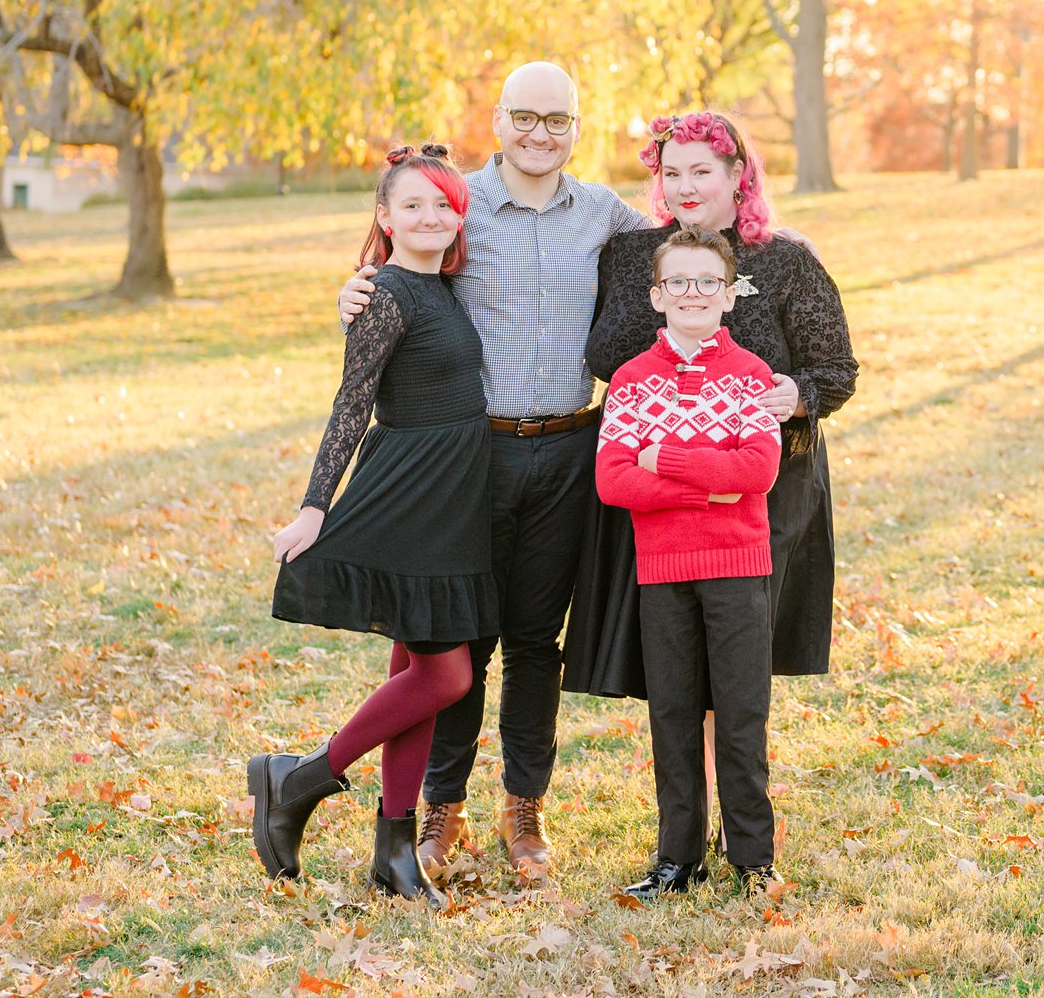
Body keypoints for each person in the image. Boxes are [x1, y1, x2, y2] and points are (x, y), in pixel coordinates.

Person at [333, 63, 651, 886]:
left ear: (577, 126)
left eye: (558, 119)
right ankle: (442, 804)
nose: (540, 133)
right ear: (500, 119)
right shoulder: (459, 203)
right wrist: (354, 288)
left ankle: (525, 808)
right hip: (470, 455)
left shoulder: (604, 213)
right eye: (525, 116)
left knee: (536, 641)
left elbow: (692, 238)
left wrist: (773, 241)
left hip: (568, 451)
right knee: (460, 635)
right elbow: (398, 260)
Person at [567, 114, 857, 863]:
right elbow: (604, 352)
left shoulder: (787, 262)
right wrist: (664, 280)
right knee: (677, 669)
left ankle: (746, 826)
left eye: (704, 170)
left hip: (765, 487)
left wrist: (793, 395)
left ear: (738, 176)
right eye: (672, 172)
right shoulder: (638, 255)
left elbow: (837, 370)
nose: (686, 185)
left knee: (741, 663)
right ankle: (686, 834)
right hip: (658, 486)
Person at [251, 145, 497, 908]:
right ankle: (297, 778)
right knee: (445, 676)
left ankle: (394, 855)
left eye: (443, 203)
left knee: (414, 677)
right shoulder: (385, 293)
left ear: (459, 215)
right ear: (385, 218)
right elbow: (350, 404)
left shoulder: (443, 287)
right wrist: (314, 505)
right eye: (412, 204)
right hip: (410, 501)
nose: (430, 216)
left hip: (452, 504)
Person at [594, 228, 784, 896]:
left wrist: (665, 458)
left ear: (729, 296)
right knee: (672, 714)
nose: (694, 293)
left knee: (740, 714)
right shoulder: (631, 381)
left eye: (708, 282)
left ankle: (754, 859)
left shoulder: (752, 376)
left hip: (738, 565)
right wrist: (713, 481)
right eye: (679, 281)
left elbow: (758, 469)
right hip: (663, 570)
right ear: (657, 295)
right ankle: (677, 859)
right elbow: (614, 480)